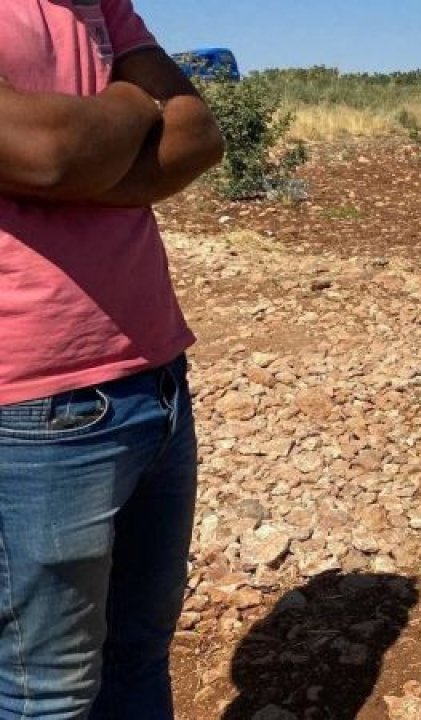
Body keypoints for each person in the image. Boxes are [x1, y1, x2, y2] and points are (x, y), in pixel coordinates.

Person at [0, 1, 224, 716]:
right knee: (48, 690)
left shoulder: (102, 3)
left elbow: (199, 134)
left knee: (138, 657)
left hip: (155, 382)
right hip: (33, 406)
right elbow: (45, 151)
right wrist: (133, 98)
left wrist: (81, 173)